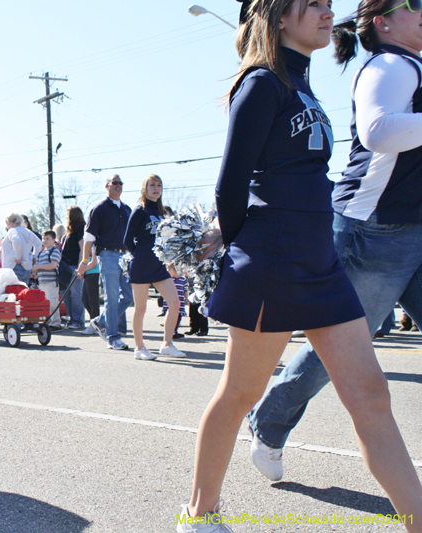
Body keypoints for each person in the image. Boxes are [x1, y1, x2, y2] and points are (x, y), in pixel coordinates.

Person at [177, 1, 422, 530]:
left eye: (328, 3)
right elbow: (230, 183)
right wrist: (244, 256)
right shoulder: (261, 83)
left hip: (322, 264)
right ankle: (198, 517)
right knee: (239, 394)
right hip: (274, 261)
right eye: (311, 4)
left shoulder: (305, 85)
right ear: (278, 18)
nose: (326, 11)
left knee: (371, 396)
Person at [247, 0, 422, 485]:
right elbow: (379, 131)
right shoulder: (390, 65)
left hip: (415, 228)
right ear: (383, 21)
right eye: (415, 3)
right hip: (373, 231)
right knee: (337, 355)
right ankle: (269, 417)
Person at [123, 175, 185, 360]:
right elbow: (127, 240)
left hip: (160, 267)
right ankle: (140, 348)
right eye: (152, 185)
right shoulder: (139, 211)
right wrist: (141, 254)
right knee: (140, 308)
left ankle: (167, 344)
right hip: (141, 265)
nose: (156, 188)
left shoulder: (162, 213)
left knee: (175, 304)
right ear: (145, 188)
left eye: (159, 185)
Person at [77, 175, 133, 350]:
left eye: (120, 183)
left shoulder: (127, 209)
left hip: (125, 256)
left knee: (129, 296)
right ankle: (113, 337)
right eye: (114, 183)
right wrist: (85, 261)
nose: (118, 186)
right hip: (107, 255)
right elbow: (89, 238)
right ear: (107, 186)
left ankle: (100, 321)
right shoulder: (99, 208)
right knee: (112, 297)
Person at [60, 206, 86, 330]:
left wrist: (81, 267)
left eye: (68, 215)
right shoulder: (69, 231)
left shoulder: (81, 229)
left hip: (75, 265)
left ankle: (78, 321)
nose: (66, 217)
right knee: (65, 293)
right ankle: (72, 319)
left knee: (76, 294)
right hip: (65, 266)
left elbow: (83, 249)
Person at [0, 213, 42, 286]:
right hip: (27, 268)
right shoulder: (28, 231)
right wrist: (34, 257)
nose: (7, 227)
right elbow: (38, 243)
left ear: (12, 223)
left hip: (14, 266)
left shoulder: (12, 231)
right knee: (22, 292)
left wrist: (18, 257)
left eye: (7, 224)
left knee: (14, 293)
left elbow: (17, 240)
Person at [32, 230, 62, 330]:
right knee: (45, 303)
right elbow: (38, 267)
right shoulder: (41, 253)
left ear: (54, 240)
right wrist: (35, 271)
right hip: (42, 282)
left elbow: (53, 265)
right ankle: (47, 322)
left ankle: (55, 323)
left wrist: (39, 266)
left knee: (53, 302)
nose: (45, 241)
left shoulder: (55, 251)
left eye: (48, 239)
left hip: (51, 282)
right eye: (43, 238)